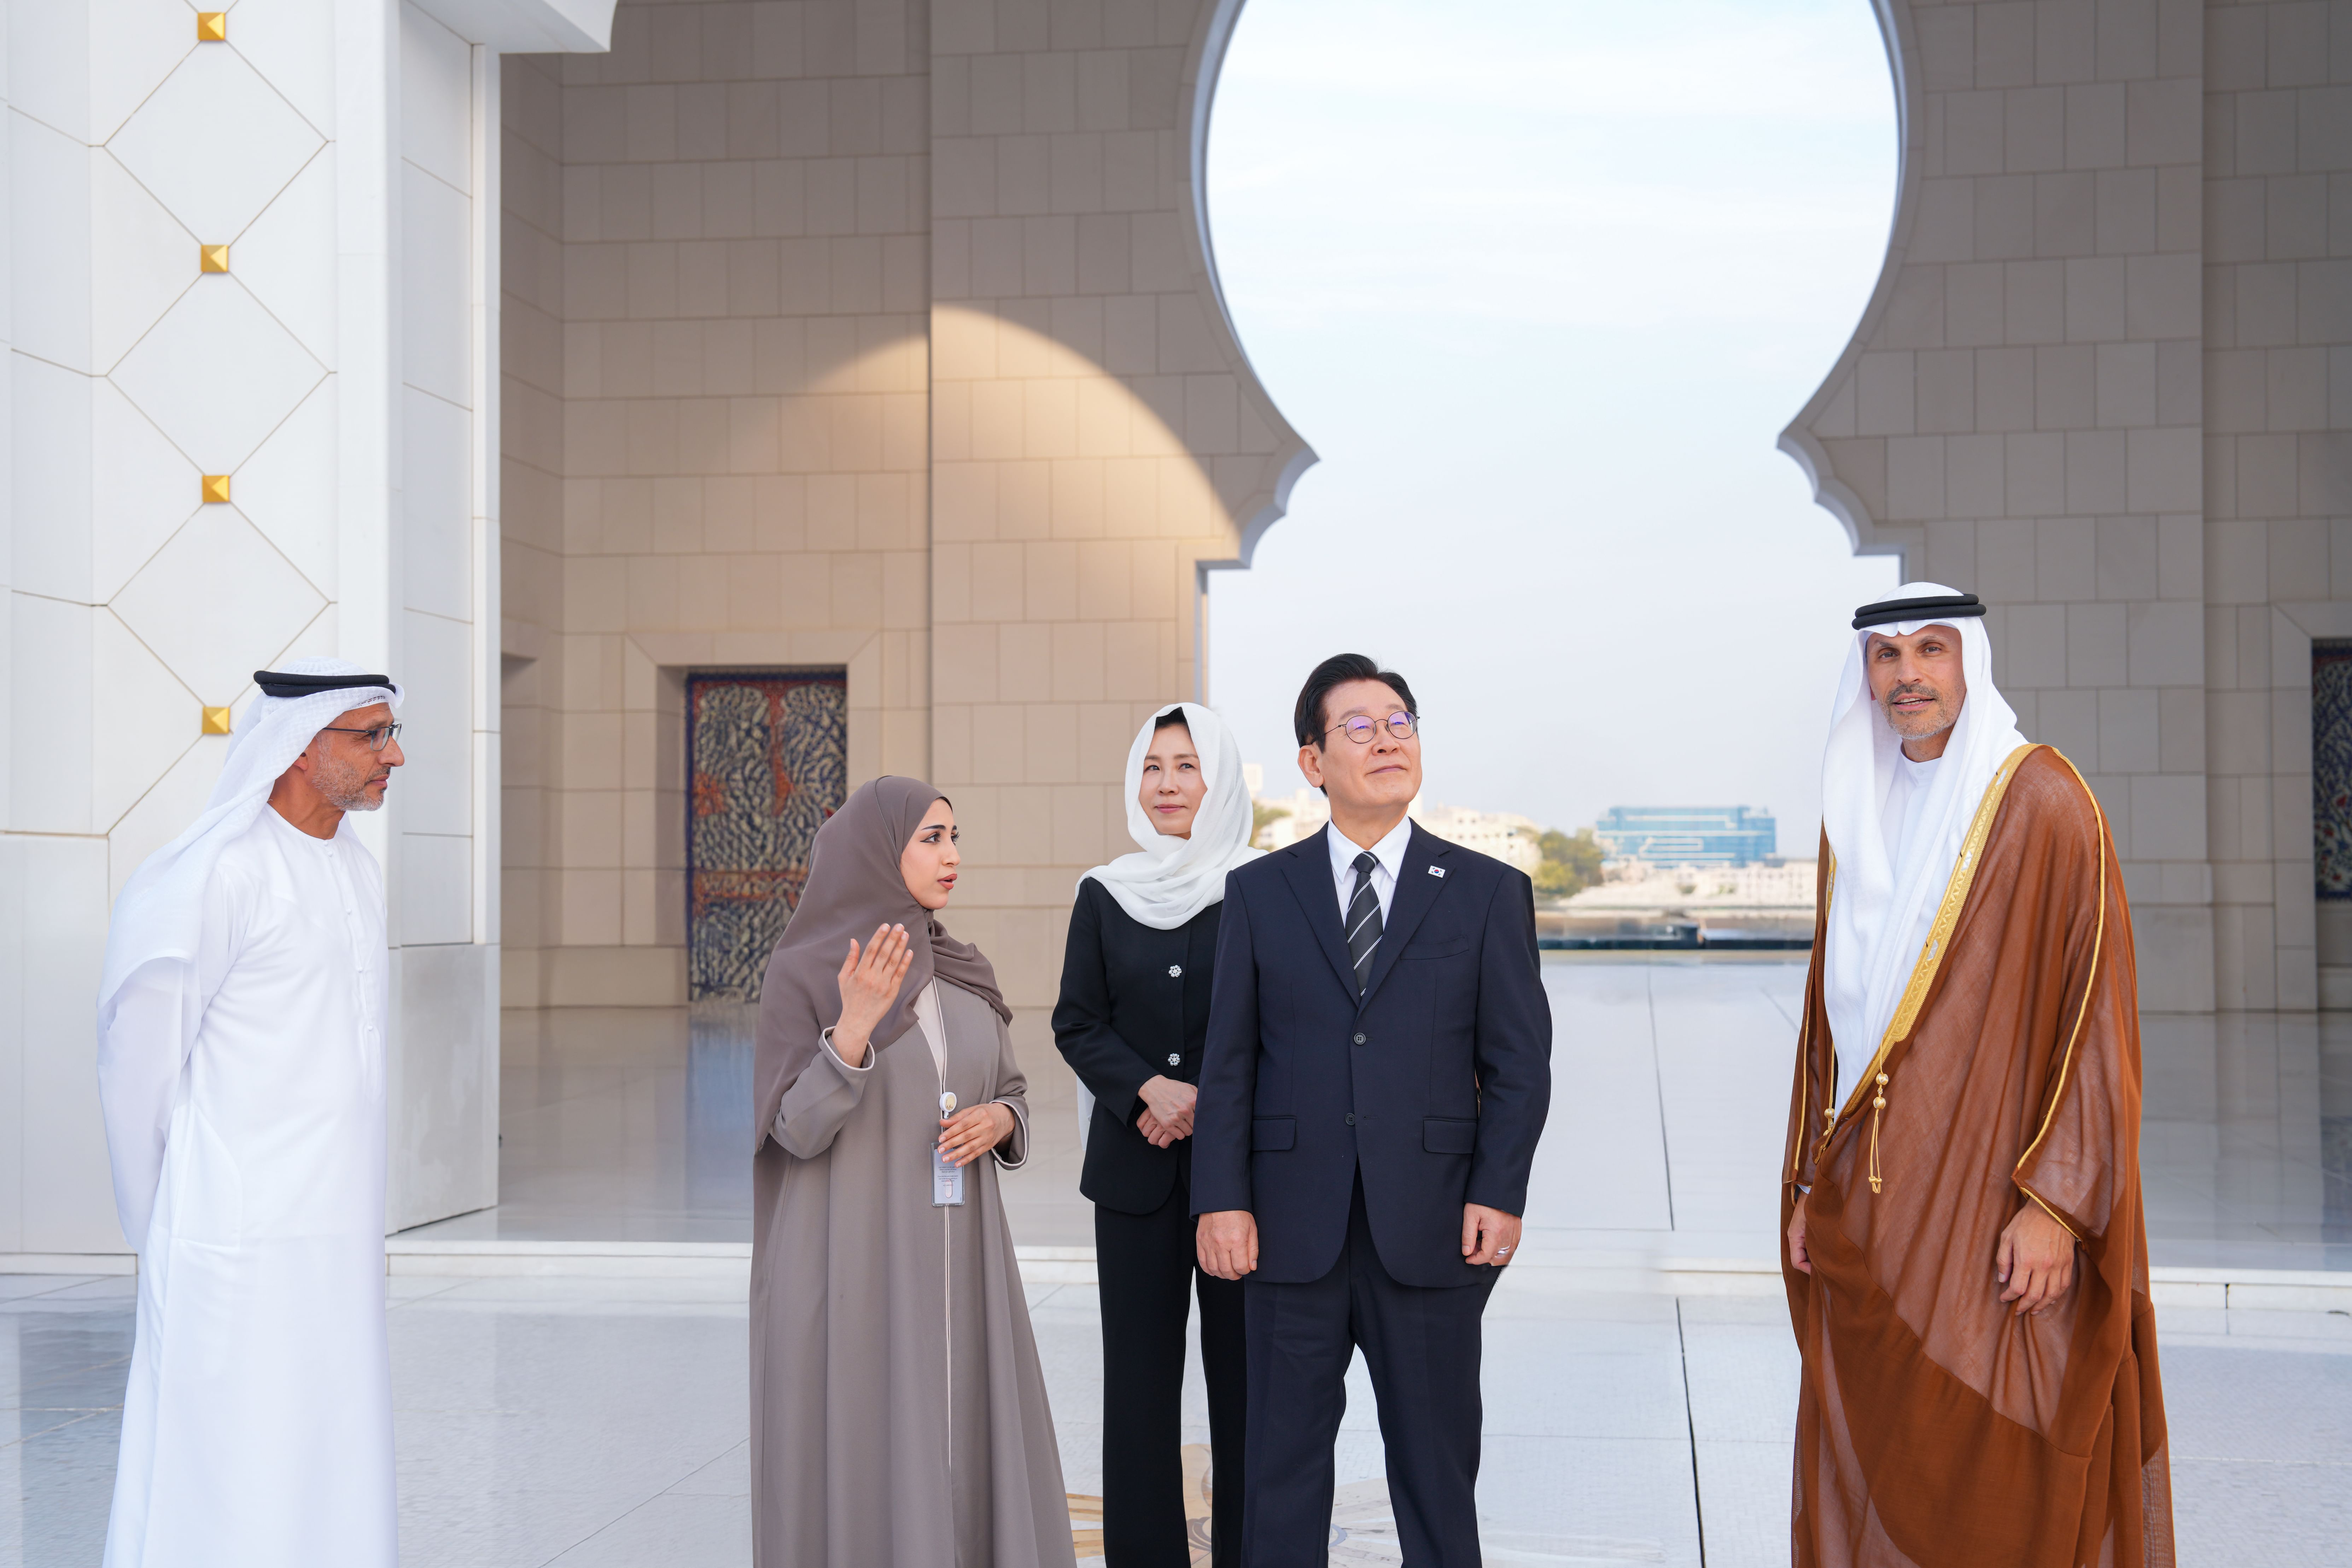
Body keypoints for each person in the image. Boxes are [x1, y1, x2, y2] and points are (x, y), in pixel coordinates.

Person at [1781, 584, 2173, 1567]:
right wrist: (1802, 1183)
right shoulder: (1853, 813)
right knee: (1886, 1428)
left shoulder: (2039, 798)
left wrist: (2054, 1200)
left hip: (1999, 1188)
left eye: (1931, 650)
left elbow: (2096, 1015)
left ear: (1969, 664)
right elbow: (1829, 1028)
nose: (1906, 675)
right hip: (1870, 1192)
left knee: (2007, 1426)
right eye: (1886, 657)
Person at [1191, 653, 1552, 1566]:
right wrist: (1218, 1198)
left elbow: (1517, 1063)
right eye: (1357, 725)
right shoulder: (1258, 894)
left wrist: (1498, 1191)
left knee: (1435, 1480)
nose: (1386, 737)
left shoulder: (1484, 893)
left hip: (1429, 1230)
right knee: (1279, 1481)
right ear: (1312, 761)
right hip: (1285, 1232)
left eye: (1399, 720)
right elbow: (1227, 1063)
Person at [95, 659, 407, 1568]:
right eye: (373, 736)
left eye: (391, 731)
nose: (395, 754)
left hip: (335, 1238)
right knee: (229, 1463)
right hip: (233, 1240)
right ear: (302, 748)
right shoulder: (214, 876)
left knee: (327, 1450)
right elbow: (136, 1072)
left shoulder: (354, 867)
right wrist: (169, 1223)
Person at [750, 776, 1076, 1568]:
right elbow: (792, 1130)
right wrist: (852, 1031)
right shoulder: (804, 975)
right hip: (851, 1262)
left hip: (960, 1265)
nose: (952, 855)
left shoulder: (964, 970)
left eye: (954, 836)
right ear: (875, 850)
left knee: (962, 1433)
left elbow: (1013, 1091)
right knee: (869, 1442)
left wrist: (1001, 1120)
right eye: (931, 838)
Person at [1054, 703, 1261, 1564]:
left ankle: (1255, 1548)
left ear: (1220, 780)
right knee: (1138, 1386)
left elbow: (1280, 1023)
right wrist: (1146, 1087)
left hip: (1242, 1182)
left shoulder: (1263, 886)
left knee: (1248, 1381)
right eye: (1153, 766)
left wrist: (1203, 1098)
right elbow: (1077, 1020)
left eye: (1187, 765)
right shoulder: (1104, 892)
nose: (1169, 784)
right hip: (1132, 1179)